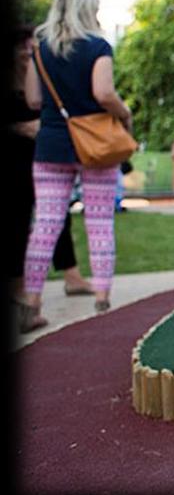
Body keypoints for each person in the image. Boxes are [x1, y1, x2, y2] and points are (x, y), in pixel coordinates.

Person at [17, 0, 133, 327]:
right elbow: (104, 93)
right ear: (87, 11)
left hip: (51, 145)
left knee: (45, 225)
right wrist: (124, 113)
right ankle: (101, 299)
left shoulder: (40, 51)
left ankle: (33, 304)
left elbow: (34, 100)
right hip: (97, 146)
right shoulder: (98, 46)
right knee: (99, 223)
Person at [8, 24, 94, 323]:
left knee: (58, 217)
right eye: (25, 45)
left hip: (44, 157)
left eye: (33, 43)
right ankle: (21, 291)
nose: (31, 49)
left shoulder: (40, 77)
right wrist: (22, 128)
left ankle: (71, 276)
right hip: (16, 159)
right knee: (20, 221)